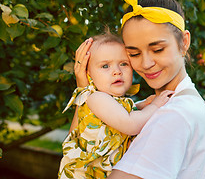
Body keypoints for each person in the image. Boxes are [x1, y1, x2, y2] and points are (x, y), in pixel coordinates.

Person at [74, 0, 205, 179]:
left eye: (157, 50)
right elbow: (77, 144)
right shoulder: (174, 103)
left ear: (184, 42)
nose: (146, 63)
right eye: (134, 53)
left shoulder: (174, 113)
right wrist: (85, 91)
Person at [58, 31, 172, 178]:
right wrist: (154, 106)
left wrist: (141, 105)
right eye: (105, 66)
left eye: (123, 64)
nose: (117, 72)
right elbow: (130, 124)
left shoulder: (110, 101)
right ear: (88, 74)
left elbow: (120, 114)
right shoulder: (96, 98)